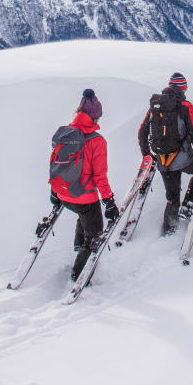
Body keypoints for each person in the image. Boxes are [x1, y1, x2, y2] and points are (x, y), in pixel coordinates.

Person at [48, 89, 119, 281]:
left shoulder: (64, 134)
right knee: (94, 234)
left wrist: (54, 192)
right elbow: (100, 176)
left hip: (63, 194)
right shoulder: (97, 141)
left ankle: (78, 247)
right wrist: (109, 201)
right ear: (95, 117)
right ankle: (79, 275)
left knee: (83, 215)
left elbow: (54, 164)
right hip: (84, 196)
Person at [138, 72, 193, 235]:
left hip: (163, 161)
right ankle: (188, 205)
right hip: (184, 159)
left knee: (172, 198)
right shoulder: (186, 107)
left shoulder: (155, 106)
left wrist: (148, 156)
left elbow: (142, 132)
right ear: (183, 88)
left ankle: (169, 230)